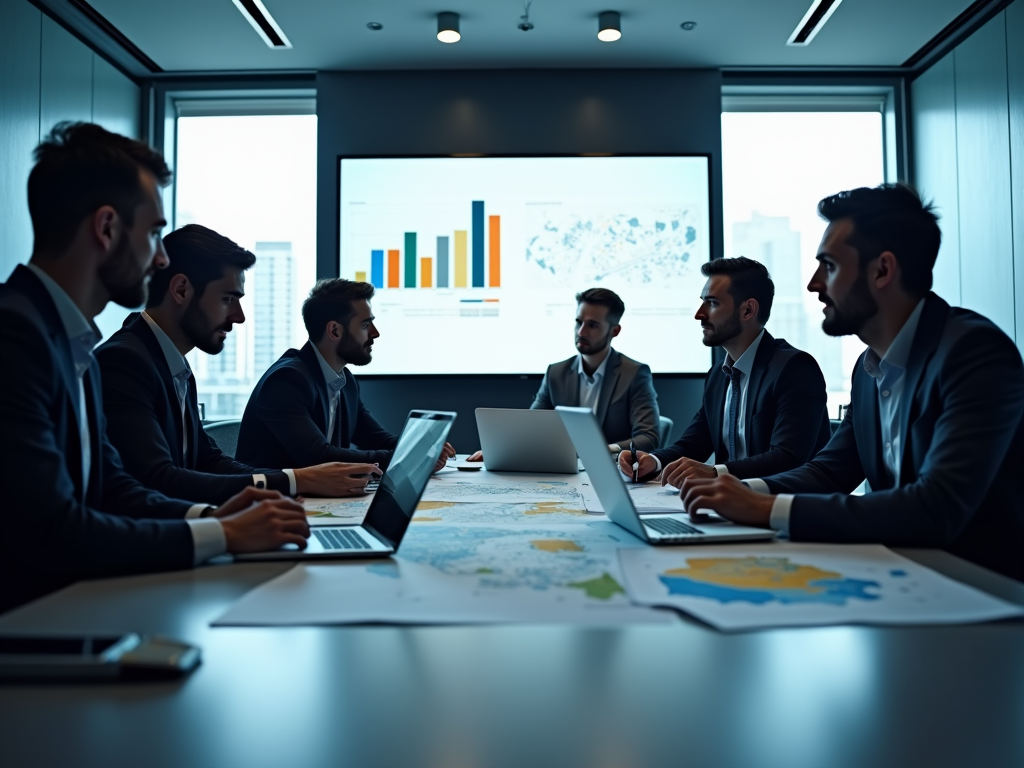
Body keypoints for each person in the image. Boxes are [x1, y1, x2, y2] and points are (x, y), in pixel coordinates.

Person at [0, 123, 309, 612]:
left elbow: (112, 486)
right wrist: (222, 534)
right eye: (153, 233)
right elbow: (52, 529)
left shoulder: (65, 340)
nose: (160, 257)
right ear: (106, 229)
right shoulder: (16, 337)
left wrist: (217, 517)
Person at [678, 184, 1024, 581]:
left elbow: (936, 507)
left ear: (882, 270)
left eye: (828, 266)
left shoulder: (973, 352)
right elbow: (829, 472)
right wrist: (741, 491)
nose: (812, 284)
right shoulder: (866, 369)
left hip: (983, 592)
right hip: (904, 576)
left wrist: (762, 509)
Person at [95, 224, 382, 505]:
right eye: (228, 299)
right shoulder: (126, 362)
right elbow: (159, 479)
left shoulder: (172, 364)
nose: (239, 316)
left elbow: (208, 460)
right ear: (181, 290)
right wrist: (296, 481)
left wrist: (291, 482)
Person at [618, 257, 830, 487]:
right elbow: (693, 444)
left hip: (783, 509)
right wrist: (654, 461)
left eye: (712, 303)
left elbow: (788, 458)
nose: (699, 314)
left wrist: (715, 473)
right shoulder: (719, 375)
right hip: (730, 507)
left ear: (748, 310)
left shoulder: (794, 368)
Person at [237, 278, 455, 471]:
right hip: (274, 505)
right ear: (334, 331)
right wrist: (407, 458)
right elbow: (318, 457)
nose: (375, 333)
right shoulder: (286, 380)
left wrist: (419, 446)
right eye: (365, 324)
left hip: (321, 501)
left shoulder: (345, 380)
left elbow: (375, 438)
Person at [469, 287, 660, 462]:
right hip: (563, 471)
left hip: (611, 471)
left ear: (615, 331)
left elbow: (649, 437)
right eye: (579, 322)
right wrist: (500, 449)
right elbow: (531, 426)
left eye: (592, 325)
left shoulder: (634, 373)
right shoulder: (556, 373)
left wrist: (605, 450)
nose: (581, 332)